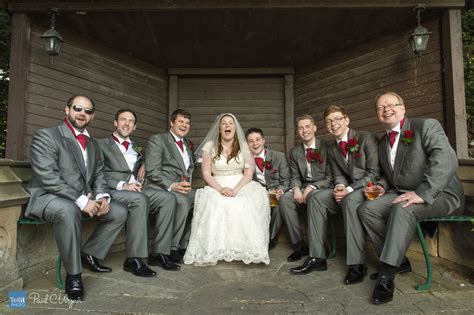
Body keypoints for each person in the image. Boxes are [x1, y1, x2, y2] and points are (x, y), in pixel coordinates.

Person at [357, 92, 465, 305]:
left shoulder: (425, 126)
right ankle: (400, 261)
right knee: (366, 209)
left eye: (391, 104)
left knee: (403, 208)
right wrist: (381, 187)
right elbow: (392, 176)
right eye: (380, 107)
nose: (386, 109)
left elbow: (447, 159)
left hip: (442, 194)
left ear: (403, 109)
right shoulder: (382, 143)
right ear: (377, 115)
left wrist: (422, 193)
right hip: (404, 192)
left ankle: (386, 275)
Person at [25, 95, 129, 301]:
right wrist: (81, 200)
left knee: (118, 211)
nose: (82, 113)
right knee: (68, 209)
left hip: (83, 196)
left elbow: (99, 174)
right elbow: (48, 178)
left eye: (87, 111)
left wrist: (102, 196)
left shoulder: (93, 144)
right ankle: (74, 275)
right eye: (77, 108)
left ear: (93, 116)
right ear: (67, 110)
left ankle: (89, 254)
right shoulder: (46, 136)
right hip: (48, 196)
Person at [290, 105, 379, 284]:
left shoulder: (366, 137)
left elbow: (374, 173)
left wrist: (348, 190)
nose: (334, 123)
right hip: (346, 189)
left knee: (349, 200)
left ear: (347, 120)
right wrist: (339, 185)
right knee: (315, 198)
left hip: (370, 189)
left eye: (338, 119)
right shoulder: (332, 148)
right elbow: (337, 174)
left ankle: (357, 264)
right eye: (329, 121)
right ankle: (317, 258)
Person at [183, 113, 271, 266]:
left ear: (235, 128)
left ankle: (244, 249)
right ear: (219, 129)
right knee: (217, 204)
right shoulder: (209, 146)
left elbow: (249, 173)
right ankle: (215, 249)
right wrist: (220, 189)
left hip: (240, 183)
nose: (227, 126)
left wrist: (236, 190)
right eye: (224, 123)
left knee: (244, 203)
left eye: (231, 123)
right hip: (216, 184)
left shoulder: (244, 146)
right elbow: (206, 173)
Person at [97, 109, 158, 277]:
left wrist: (145, 163)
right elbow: (97, 173)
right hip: (111, 189)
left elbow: (133, 165)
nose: (126, 123)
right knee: (140, 200)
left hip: (134, 188)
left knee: (166, 197)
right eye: (123, 119)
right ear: (115, 123)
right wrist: (122, 185)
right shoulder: (101, 144)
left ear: (135, 127)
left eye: (130, 121)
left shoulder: (135, 146)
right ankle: (134, 258)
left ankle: (162, 253)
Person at [145, 109, 195, 269]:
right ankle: (162, 252)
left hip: (181, 187)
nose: (184, 125)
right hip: (160, 187)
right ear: (172, 123)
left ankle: (183, 245)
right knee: (181, 201)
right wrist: (172, 185)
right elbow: (152, 170)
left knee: (204, 198)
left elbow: (187, 167)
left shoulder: (186, 145)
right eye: (181, 121)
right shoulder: (158, 140)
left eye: (187, 123)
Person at [279, 114, 332, 262]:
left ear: (314, 128)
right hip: (302, 187)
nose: (304, 130)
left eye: (307, 126)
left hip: (323, 188)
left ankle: (322, 244)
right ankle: (300, 245)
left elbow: (331, 177)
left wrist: (313, 186)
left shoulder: (327, 147)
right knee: (285, 199)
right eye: (301, 128)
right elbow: (295, 176)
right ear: (297, 132)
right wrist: (296, 189)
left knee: (314, 197)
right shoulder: (295, 152)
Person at [245, 127, 290, 249]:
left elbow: (285, 180)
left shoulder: (279, 156)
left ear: (263, 140)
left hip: (273, 191)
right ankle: (251, 238)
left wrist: (280, 189)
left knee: (275, 204)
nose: (255, 143)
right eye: (251, 141)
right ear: (247, 144)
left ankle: (271, 238)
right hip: (256, 193)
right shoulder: (245, 160)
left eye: (258, 139)